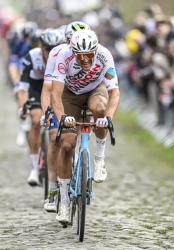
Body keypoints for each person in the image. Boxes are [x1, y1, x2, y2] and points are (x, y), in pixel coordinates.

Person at [50, 30, 120, 223]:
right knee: (66, 145)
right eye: (80, 56)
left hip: (95, 91)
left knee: (100, 109)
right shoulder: (63, 56)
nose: (85, 60)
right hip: (70, 95)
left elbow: (114, 93)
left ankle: (99, 158)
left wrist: (108, 117)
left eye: (89, 55)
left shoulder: (105, 55)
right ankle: (64, 202)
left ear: (95, 51)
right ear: (73, 51)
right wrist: (62, 117)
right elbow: (55, 94)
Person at [41, 21, 91, 212]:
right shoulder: (57, 53)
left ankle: (80, 166)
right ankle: (53, 191)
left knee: (75, 138)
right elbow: (48, 89)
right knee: (55, 138)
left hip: (81, 98)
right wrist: (47, 111)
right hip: (60, 98)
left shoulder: (93, 55)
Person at [17, 28, 64, 186]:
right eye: (48, 49)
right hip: (36, 89)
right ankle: (34, 168)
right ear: (41, 48)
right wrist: (23, 106)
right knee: (36, 120)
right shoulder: (32, 57)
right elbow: (22, 87)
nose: (51, 53)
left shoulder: (64, 57)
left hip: (55, 89)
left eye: (54, 50)